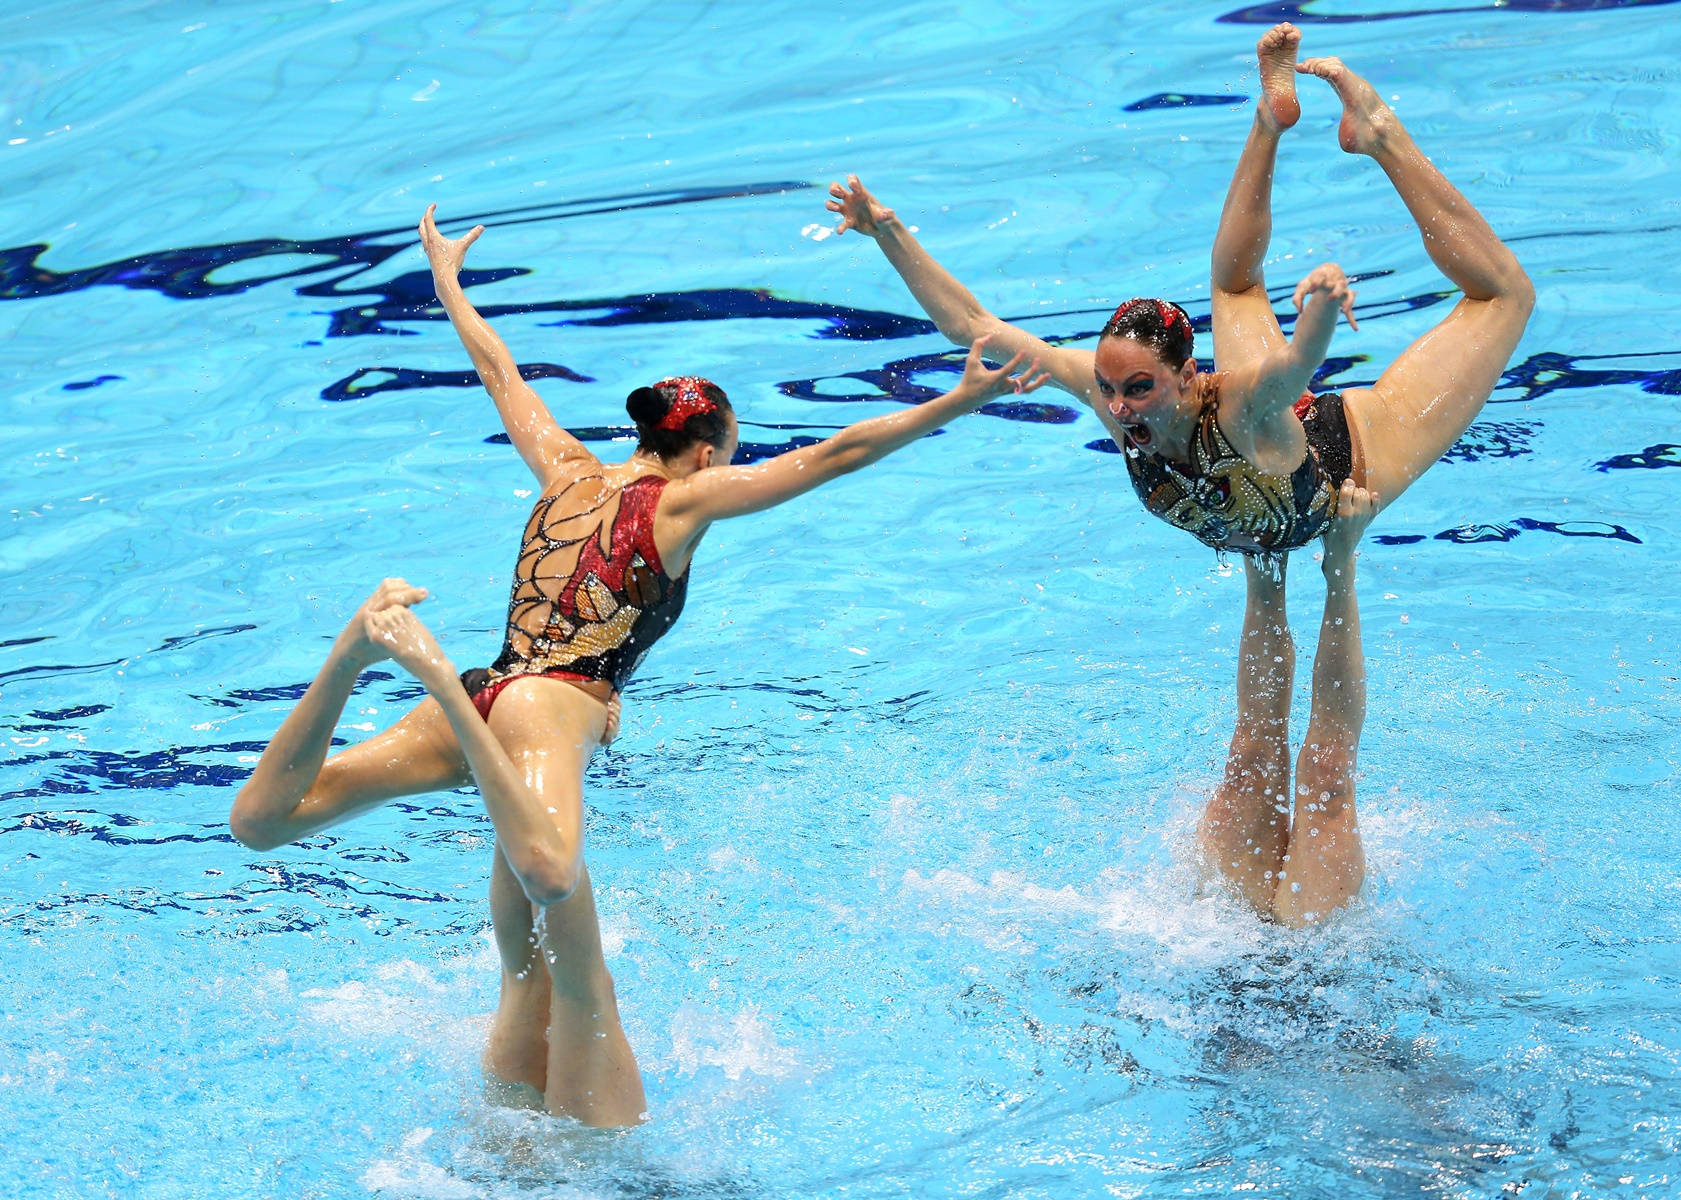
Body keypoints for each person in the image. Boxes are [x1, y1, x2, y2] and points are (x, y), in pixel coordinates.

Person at [228, 206, 1050, 1126]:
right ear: (705, 450)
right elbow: (834, 453)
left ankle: (356, 657)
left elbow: (499, 370)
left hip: (488, 681)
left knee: (280, 828)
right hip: (546, 706)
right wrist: (955, 402)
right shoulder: (685, 498)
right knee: (552, 880)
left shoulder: (565, 468)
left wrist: (447, 281)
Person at [827, 26, 1533, 922]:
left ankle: (1380, 134)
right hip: (1257, 501)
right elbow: (971, 321)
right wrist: (887, 230)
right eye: (1112, 386)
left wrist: (1316, 309)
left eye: (1139, 389)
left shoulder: (1234, 401)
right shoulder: (1112, 392)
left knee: (1504, 295)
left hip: (1341, 457)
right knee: (1234, 288)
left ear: (1187, 378)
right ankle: (1271, 117)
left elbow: (1293, 372)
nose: (1119, 407)